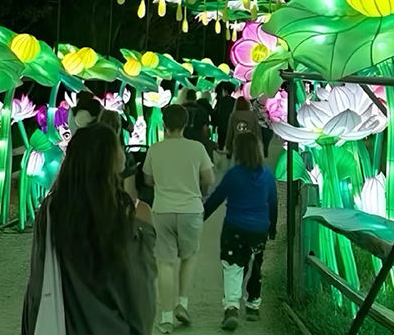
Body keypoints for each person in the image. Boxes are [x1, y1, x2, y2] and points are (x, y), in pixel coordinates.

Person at [21, 124, 156, 335]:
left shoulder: (50, 210)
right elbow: (139, 289)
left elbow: (38, 277)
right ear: (112, 159)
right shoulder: (133, 214)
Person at [143, 104, 215, 333]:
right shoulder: (197, 148)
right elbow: (209, 178)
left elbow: (147, 179)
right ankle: (182, 304)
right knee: (189, 256)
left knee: (165, 264)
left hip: (162, 210)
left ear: (164, 124)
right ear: (186, 124)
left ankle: (166, 319)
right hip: (191, 210)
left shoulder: (155, 149)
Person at [203, 131, 278, 330]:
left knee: (232, 267)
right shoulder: (267, 175)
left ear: (238, 151)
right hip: (259, 229)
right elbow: (273, 203)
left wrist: (201, 217)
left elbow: (217, 198)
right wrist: (272, 228)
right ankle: (253, 306)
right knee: (256, 265)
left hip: (234, 228)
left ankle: (231, 308)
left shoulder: (233, 174)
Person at [212, 81, 236, 151]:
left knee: (221, 148)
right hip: (232, 130)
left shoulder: (221, 102)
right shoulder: (235, 102)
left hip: (222, 130)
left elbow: (216, 117)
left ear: (224, 90)